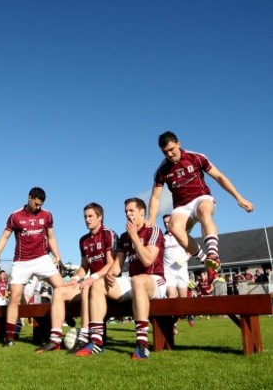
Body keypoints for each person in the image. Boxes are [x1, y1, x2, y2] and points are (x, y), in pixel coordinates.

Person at [148, 131, 254, 275]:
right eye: (165, 152)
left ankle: (213, 253)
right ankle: (207, 263)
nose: (169, 154)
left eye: (171, 149)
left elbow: (219, 177)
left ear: (179, 144)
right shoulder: (161, 171)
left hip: (201, 198)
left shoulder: (196, 157)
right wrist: (152, 219)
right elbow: (155, 197)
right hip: (182, 206)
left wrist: (239, 198)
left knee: (203, 211)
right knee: (174, 227)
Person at [37, 202, 117, 355]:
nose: (87, 219)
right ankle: (55, 340)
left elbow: (111, 264)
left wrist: (92, 277)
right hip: (90, 282)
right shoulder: (83, 240)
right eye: (85, 217)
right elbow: (84, 267)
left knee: (87, 286)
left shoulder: (109, 234)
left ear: (100, 217)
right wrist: (75, 278)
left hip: (106, 284)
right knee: (59, 291)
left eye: (90, 216)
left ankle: (84, 337)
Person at [0, 187, 65, 347]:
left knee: (62, 288)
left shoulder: (47, 215)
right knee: (15, 298)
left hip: (42, 259)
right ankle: (9, 337)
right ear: (29, 197)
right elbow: (5, 236)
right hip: (21, 262)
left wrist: (57, 256)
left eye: (40, 204)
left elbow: (51, 237)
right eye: (36, 203)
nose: (38, 207)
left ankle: (62, 319)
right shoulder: (15, 215)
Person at [105, 198, 166, 360]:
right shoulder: (125, 237)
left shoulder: (153, 230)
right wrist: (110, 274)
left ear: (142, 212)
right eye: (126, 211)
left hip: (155, 280)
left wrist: (134, 237)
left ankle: (142, 343)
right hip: (133, 281)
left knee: (138, 280)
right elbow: (118, 266)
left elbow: (147, 260)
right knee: (98, 285)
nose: (128, 214)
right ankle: (95, 341)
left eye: (131, 211)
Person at [162, 214, 195, 327]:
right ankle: (172, 323)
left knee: (183, 297)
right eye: (165, 223)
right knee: (170, 296)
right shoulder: (163, 238)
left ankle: (189, 314)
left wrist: (185, 258)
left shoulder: (182, 234)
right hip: (168, 271)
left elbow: (191, 250)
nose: (167, 224)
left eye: (168, 222)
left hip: (181, 271)